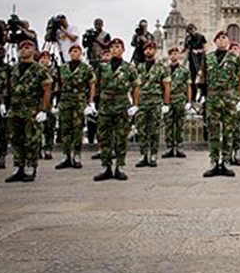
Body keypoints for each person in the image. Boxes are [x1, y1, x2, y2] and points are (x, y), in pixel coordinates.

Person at [4, 40, 52, 183]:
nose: (24, 50)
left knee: (32, 140)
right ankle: (18, 167)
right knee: (15, 139)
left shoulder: (40, 69)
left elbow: (47, 90)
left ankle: (31, 167)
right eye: (22, 47)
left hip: (32, 109)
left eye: (27, 47)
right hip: (15, 108)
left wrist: (44, 110)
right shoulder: (14, 69)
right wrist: (5, 105)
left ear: (33, 50)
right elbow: (8, 89)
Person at [94, 38, 139, 181]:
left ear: (123, 50)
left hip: (121, 105)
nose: (114, 49)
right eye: (112, 47)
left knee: (120, 137)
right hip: (105, 105)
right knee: (104, 137)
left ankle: (120, 166)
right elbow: (96, 85)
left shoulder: (129, 68)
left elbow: (135, 87)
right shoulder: (102, 67)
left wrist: (135, 105)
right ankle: (106, 167)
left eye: (117, 46)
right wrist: (93, 103)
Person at [201, 31, 240, 177]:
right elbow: (202, 78)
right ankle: (214, 162)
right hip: (212, 99)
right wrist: (201, 96)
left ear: (228, 41)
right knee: (213, 131)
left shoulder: (235, 58)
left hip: (229, 99)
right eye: (219, 38)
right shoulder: (208, 58)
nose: (222, 40)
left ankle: (225, 161)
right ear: (215, 41)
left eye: (224, 37)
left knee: (228, 131)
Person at [55, 44, 95, 169]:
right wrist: (56, 103)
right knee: (65, 129)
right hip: (65, 101)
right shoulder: (62, 68)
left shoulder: (86, 68)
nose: (74, 53)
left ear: (81, 53)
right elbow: (58, 86)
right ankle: (66, 155)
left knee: (78, 128)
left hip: (79, 101)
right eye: (71, 51)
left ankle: (77, 154)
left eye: (76, 51)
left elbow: (91, 85)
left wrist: (90, 102)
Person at [135, 42, 171, 168]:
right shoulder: (139, 67)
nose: (148, 51)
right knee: (142, 129)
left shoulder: (162, 67)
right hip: (142, 102)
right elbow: (136, 86)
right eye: (146, 49)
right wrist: (135, 103)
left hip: (155, 101)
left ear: (155, 51)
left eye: (151, 49)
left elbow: (166, 87)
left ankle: (153, 154)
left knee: (154, 130)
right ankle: (143, 154)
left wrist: (166, 103)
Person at [162, 46, 191, 158]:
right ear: (169, 56)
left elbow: (188, 86)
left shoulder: (184, 71)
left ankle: (179, 147)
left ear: (179, 55)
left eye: (176, 53)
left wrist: (188, 101)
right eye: (171, 53)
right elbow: (162, 86)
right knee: (168, 125)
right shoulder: (164, 70)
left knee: (179, 124)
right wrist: (164, 102)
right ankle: (169, 147)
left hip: (179, 99)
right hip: (168, 100)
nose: (174, 55)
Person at [37, 50, 59, 160]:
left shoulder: (54, 71)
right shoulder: (35, 70)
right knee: (36, 128)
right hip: (36, 102)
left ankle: (48, 148)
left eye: (46, 58)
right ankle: (38, 149)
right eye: (42, 58)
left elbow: (57, 87)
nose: (44, 60)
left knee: (49, 127)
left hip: (49, 102)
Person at [183, 23, 207, 102]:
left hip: (200, 60)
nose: (191, 32)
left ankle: (203, 95)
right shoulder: (188, 38)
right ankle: (193, 98)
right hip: (192, 60)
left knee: (202, 77)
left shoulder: (201, 37)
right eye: (190, 30)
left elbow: (205, 48)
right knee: (192, 79)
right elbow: (185, 48)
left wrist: (198, 51)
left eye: (192, 30)